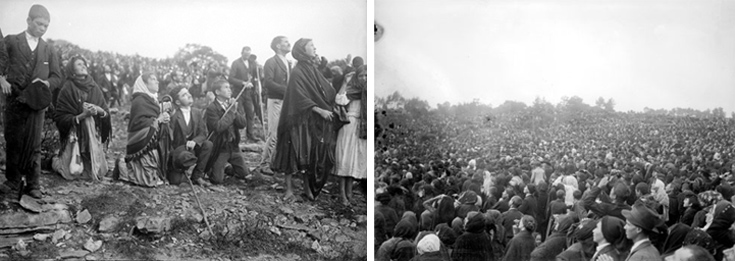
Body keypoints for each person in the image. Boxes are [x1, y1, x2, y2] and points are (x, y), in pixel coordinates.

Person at [0, 5, 62, 198]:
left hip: (37, 101)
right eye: (39, 24)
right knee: (14, 140)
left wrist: (46, 82)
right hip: (14, 100)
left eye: (46, 26)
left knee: (34, 143)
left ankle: (33, 184)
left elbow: (57, 77)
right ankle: (13, 181)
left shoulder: (49, 49)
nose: (42, 29)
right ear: (28, 21)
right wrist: (1, 78)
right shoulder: (10, 41)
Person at [272, 38, 337, 201]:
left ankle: (307, 188)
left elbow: (325, 90)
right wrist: (319, 109)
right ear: (302, 50)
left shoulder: (311, 69)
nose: (315, 48)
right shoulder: (298, 71)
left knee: (309, 154)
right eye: (311, 46)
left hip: (309, 120)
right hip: (296, 119)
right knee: (292, 152)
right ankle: (289, 189)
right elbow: (298, 96)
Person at [53, 55, 111, 181]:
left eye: (84, 64)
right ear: (72, 70)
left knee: (99, 172)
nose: (83, 65)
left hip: (92, 134)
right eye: (79, 64)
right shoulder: (67, 88)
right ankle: (55, 160)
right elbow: (61, 117)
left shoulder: (94, 87)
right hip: (74, 135)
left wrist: (97, 110)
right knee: (69, 173)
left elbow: (105, 112)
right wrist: (82, 115)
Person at [117, 73, 169, 187]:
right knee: (146, 179)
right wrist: (158, 120)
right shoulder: (140, 100)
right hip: (141, 144)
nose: (157, 82)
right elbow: (139, 123)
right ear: (144, 84)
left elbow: (151, 114)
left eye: (156, 79)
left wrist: (163, 115)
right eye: (153, 79)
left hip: (151, 144)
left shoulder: (150, 99)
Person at [204, 79, 253, 184]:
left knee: (245, 174)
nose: (229, 90)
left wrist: (234, 111)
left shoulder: (232, 105)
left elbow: (242, 124)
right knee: (217, 180)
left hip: (233, 146)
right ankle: (216, 167)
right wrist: (231, 111)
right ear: (217, 92)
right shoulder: (212, 108)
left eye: (229, 87)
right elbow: (218, 127)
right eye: (226, 88)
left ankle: (227, 167)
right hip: (221, 147)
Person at [333, 64, 367, 206]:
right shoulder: (352, 89)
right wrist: (345, 83)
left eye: (366, 76)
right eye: (361, 76)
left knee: (354, 159)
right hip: (350, 123)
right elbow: (339, 100)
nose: (364, 78)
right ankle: (342, 193)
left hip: (362, 126)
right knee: (345, 157)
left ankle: (349, 192)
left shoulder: (368, 92)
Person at [167, 85, 213, 186]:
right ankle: (179, 171)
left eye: (188, 93)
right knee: (176, 181)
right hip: (178, 152)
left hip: (192, 149)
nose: (189, 95)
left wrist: (195, 141)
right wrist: (174, 158)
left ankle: (197, 175)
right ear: (178, 102)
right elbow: (169, 139)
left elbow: (203, 133)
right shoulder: (174, 115)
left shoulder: (196, 112)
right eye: (184, 95)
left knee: (208, 145)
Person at [258, 36, 291, 175]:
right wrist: (288, 91)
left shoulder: (288, 63)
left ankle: (276, 162)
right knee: (274, 133)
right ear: (278, 46)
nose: (289, 44)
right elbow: (268, 82)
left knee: (284, 133)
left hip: (286, 101)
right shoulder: (271, 62)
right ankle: (264, 163)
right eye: (285, 42)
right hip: (276, 100)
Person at [228, 46, 261, 143]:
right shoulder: (236, 63)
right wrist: (243, 83)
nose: (247, 56)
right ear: (241, 53)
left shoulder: (252, 63)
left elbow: (256, 75)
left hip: (248, 93)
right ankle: (237, 136)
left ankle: (250, 135)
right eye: (245, 54)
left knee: (250, 114)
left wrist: (258, 69)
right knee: (239, 113)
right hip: (238, 92)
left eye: (249, 54)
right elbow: (231, 78)